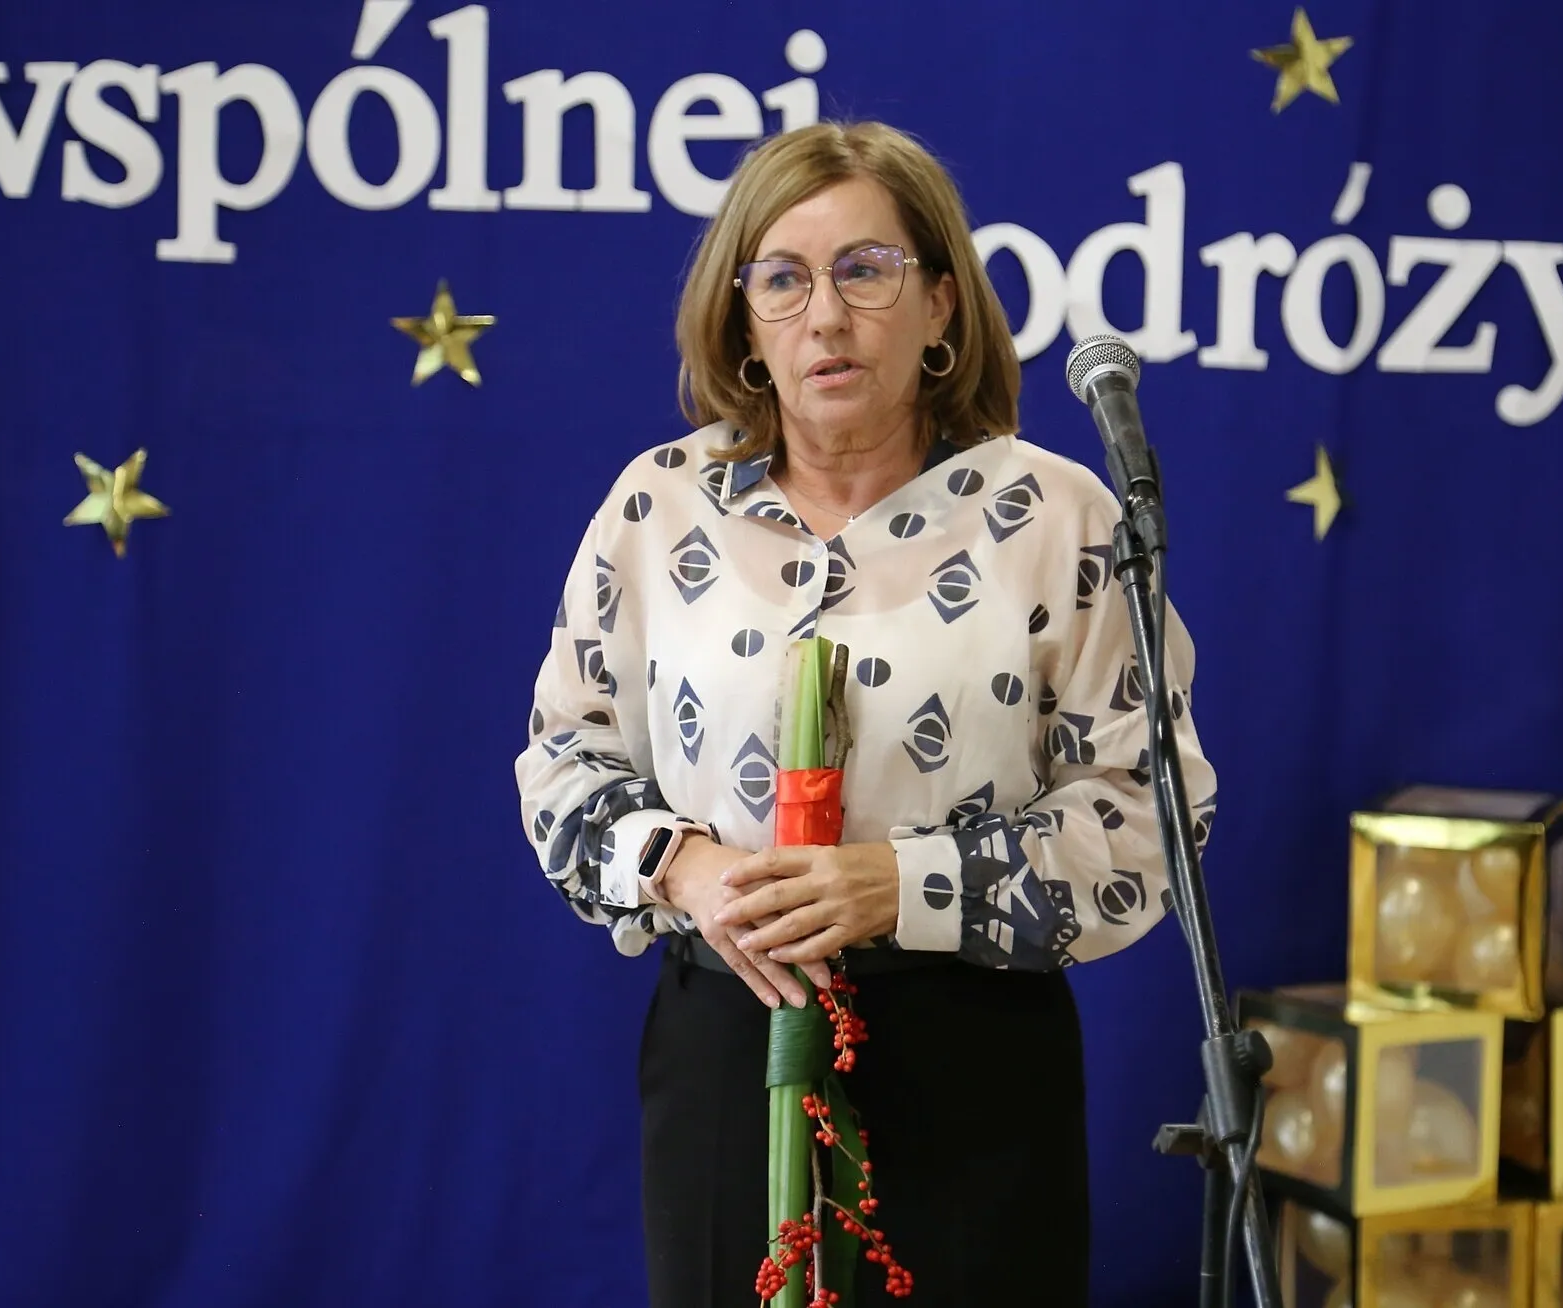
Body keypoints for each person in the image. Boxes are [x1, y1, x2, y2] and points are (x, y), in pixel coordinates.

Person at [514, 120, 1218, 1308]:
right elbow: (562, 763)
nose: (825, 316)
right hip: (731, 1041)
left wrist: (901, 883)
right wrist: (684, 868)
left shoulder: (1061, 521)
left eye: (866, 271)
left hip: (972, 1055)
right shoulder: (658, 508)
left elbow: (1151, 818)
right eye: (782, 280)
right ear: (744, 321)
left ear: (941, 303)